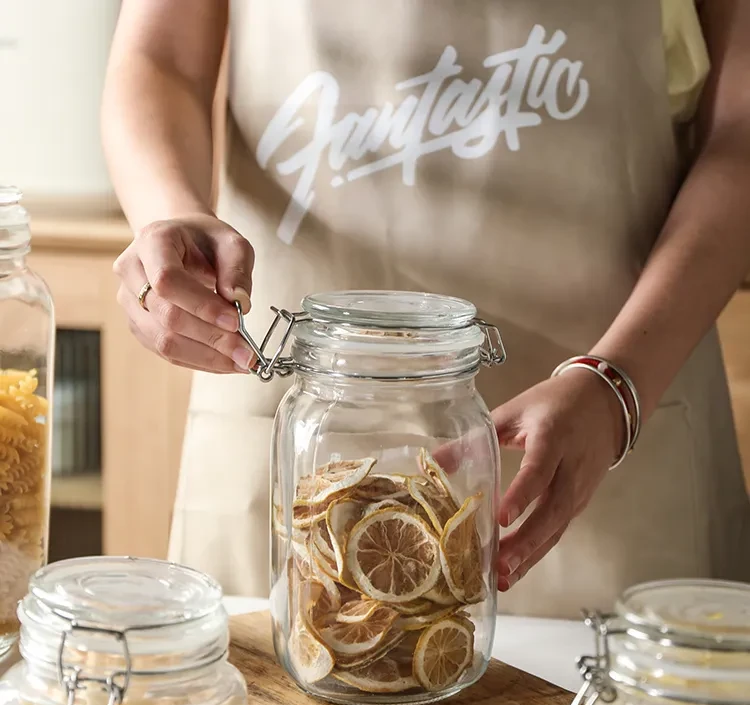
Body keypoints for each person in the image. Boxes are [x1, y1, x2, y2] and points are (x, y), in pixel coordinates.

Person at [102, 0, 750, 617]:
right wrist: (170, 214)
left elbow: (741, 130)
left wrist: (615, 386)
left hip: (616, 415)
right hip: (301, 414)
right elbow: (162, 60)